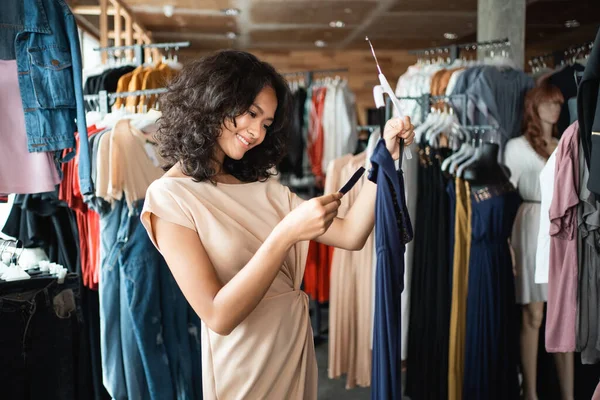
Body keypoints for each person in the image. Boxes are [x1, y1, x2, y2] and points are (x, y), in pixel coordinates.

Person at [139, 50, 414, 399]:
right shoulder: (168, 197)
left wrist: (384, 159)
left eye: (266, 123)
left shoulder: (262, 188)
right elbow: (218, 315)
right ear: (214, 101)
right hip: (244, 365)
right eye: (251, 114)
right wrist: (287, 234)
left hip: (293, 347)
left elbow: (352, 234)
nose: (257, 132)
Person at [504, 83, 573, 400]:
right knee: (534, 313)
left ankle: (568, 392)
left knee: (564, 316)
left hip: (560, 229)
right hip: (530, 224)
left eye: (558, 103)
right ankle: (529, 392)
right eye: (547, 103)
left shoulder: (564, 144)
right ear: (534, 106)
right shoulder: (516, 147)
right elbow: (506, 196)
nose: (554, 109)